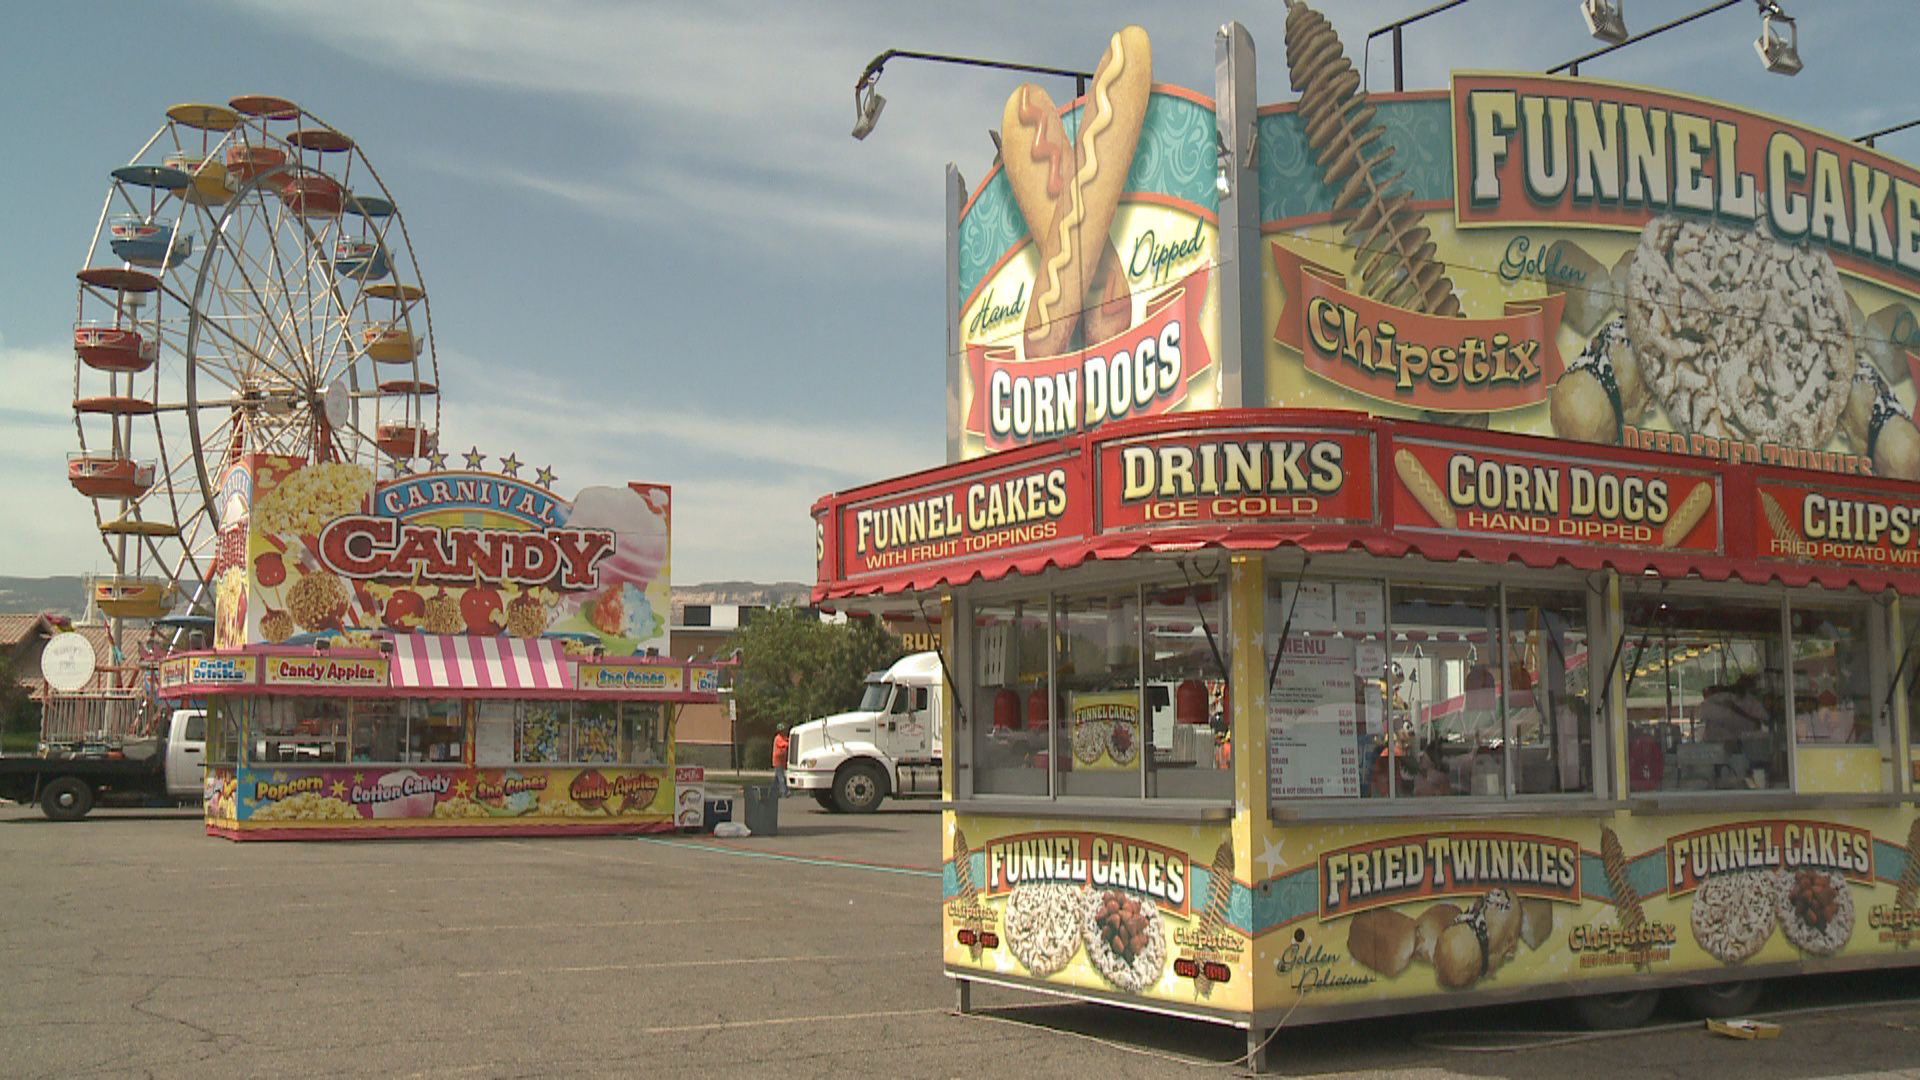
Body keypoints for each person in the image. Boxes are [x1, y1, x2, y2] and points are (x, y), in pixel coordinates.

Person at [771, 723, 791, 798]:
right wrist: (789, 743)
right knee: (781, 778)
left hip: (782, 761)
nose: (783, 731)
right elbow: (783, 744)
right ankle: (784, 792)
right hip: (778, 761)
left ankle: (772, 792)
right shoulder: (778, 738)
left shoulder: (783, 737)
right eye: (782, 730)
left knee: (777, 779)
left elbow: (787, 740)